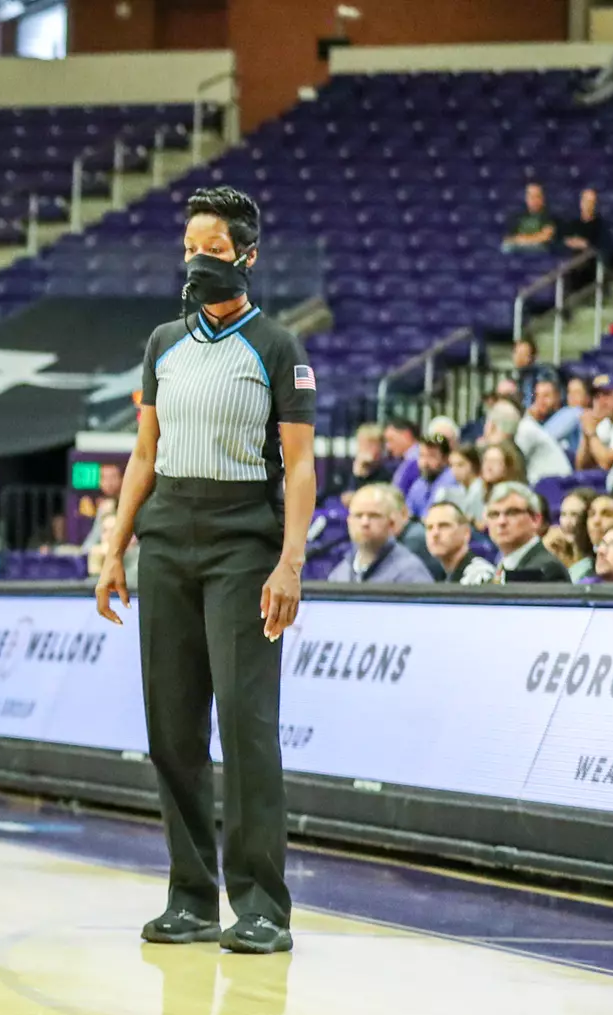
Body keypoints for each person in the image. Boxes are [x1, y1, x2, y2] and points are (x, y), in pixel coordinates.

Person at [95, 186, 315, 955]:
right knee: (171, 729)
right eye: (189, 248)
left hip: (243, 549)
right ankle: (190, 897)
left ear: (246, 258)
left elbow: (300, 465)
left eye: (212, 250)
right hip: (167, 545)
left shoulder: (278, 346)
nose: (196, 262)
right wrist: (114, 547)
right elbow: (144, 455)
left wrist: (290, 562)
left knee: (247, 728)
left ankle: (262, 906)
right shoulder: (162, 344)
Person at [327, 484, 433, 584]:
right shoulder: (341, 572)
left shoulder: (410, 572)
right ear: (349, 522)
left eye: (374, 516)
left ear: (391, 524)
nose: (365, 523)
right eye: (358, 515)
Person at [485, 482, 572, 583]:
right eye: (494, 514)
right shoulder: (502, 566)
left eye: (512, 512)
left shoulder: (546, 570)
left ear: (535, 520)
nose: (501, 522)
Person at [424, 501, 496, 584]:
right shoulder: (444, 575)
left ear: (466, 532)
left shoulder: (480, 576)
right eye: (429, 527)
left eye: (444, 525)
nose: (435, 533)